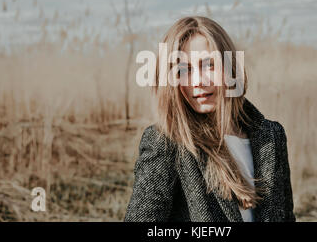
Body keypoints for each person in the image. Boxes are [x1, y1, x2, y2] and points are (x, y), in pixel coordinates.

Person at [124, 16, 295, 222]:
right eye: (183, 69)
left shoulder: (272, 136)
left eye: (209, 65)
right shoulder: (166, 142)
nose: (198, 81)